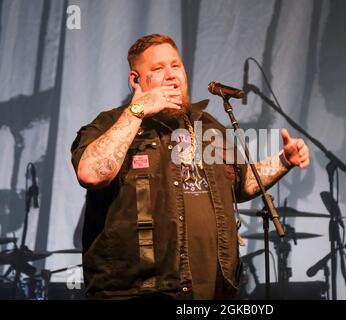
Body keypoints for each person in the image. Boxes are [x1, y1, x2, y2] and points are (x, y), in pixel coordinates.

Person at [70, 34, 310, 300]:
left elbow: (241, 184)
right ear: (135, 80)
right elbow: (91, 173)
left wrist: (283, 161)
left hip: (213, 291)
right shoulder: (111, 123)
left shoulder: (207, 126)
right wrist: (136, 112)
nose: (172, 75)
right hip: (139, 293)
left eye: (176, 65)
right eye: (158, 69)